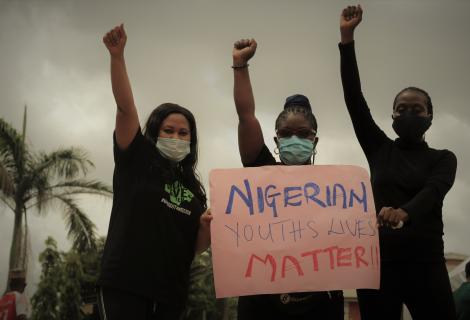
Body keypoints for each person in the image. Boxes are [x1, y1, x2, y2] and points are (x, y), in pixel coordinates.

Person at [339, 5, 458, 320]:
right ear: (391, 116)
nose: (408, 113)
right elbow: (354, 98)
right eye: (401, 108)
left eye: (417, 109)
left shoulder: (444, 159)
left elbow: (433, 192)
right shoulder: (378, 148)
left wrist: (404, 212)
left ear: (429, 117)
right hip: (377, 266)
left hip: (426, 264)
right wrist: (347, 38)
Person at [98, 24, 212, 320]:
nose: (176, 137)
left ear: (192, 140)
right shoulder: (135, 160)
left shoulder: (194, 190)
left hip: (170, 296)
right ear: (154, 132)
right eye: (169, 130)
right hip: (125, 286)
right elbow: (126, 109)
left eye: (183, 133)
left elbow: (195, 247)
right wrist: (117, 57)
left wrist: (207, 227)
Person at [232, 38, 343, 320]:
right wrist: (240, 65)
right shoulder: (262, 170)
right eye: (286, 134)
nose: (295, 139)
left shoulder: (339, 192)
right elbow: (246, 117)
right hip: (262, 301)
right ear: (276, 140)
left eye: (303, 134)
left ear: (315, 140)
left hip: (320, 301)